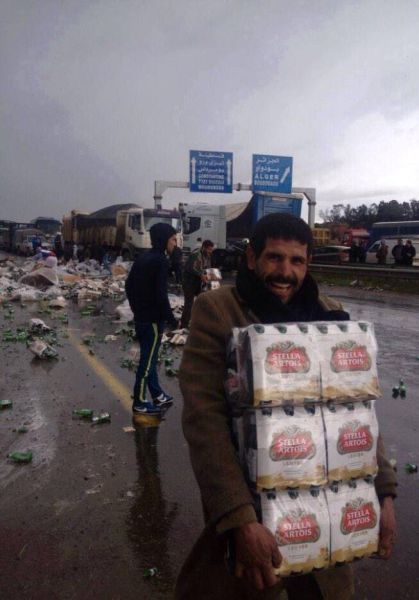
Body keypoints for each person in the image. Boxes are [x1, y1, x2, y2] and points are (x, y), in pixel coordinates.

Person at [177, 213, 397, 600]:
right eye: (274, 258)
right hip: (254, 515)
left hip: (326, 520)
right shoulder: (218, 311)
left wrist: (386, 493)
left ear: (308, 263)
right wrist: (239, 519)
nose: (285, 272)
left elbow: (357, 409)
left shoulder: (330, 316)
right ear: (251, 259)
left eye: (296, 261)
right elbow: (204, 421)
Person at [125, 223, 178, 415]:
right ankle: (139, 401)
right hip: (153, 321)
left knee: (152, 357)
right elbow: (161, 295)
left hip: (141, 318)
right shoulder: (161, 261)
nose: (175, 243)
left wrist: (136, 308)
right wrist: (171, 319)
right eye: (173, 239)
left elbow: (128, 285)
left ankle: (157, 394)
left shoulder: (143, 257)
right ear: (164, 240)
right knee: (147, 363)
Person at [180, 240, 215, 328]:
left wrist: (211, 277)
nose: (210, 252)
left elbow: (207, 268)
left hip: (197, 283)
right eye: (209, 249)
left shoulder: (207, 256)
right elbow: (190, 268)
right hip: (189, 282)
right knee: (189, 304)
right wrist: (201, 275)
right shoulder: (196, 254)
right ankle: (183, 326)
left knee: (204, 301)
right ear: (203, 247)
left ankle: (198, 322)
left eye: (211, 250)